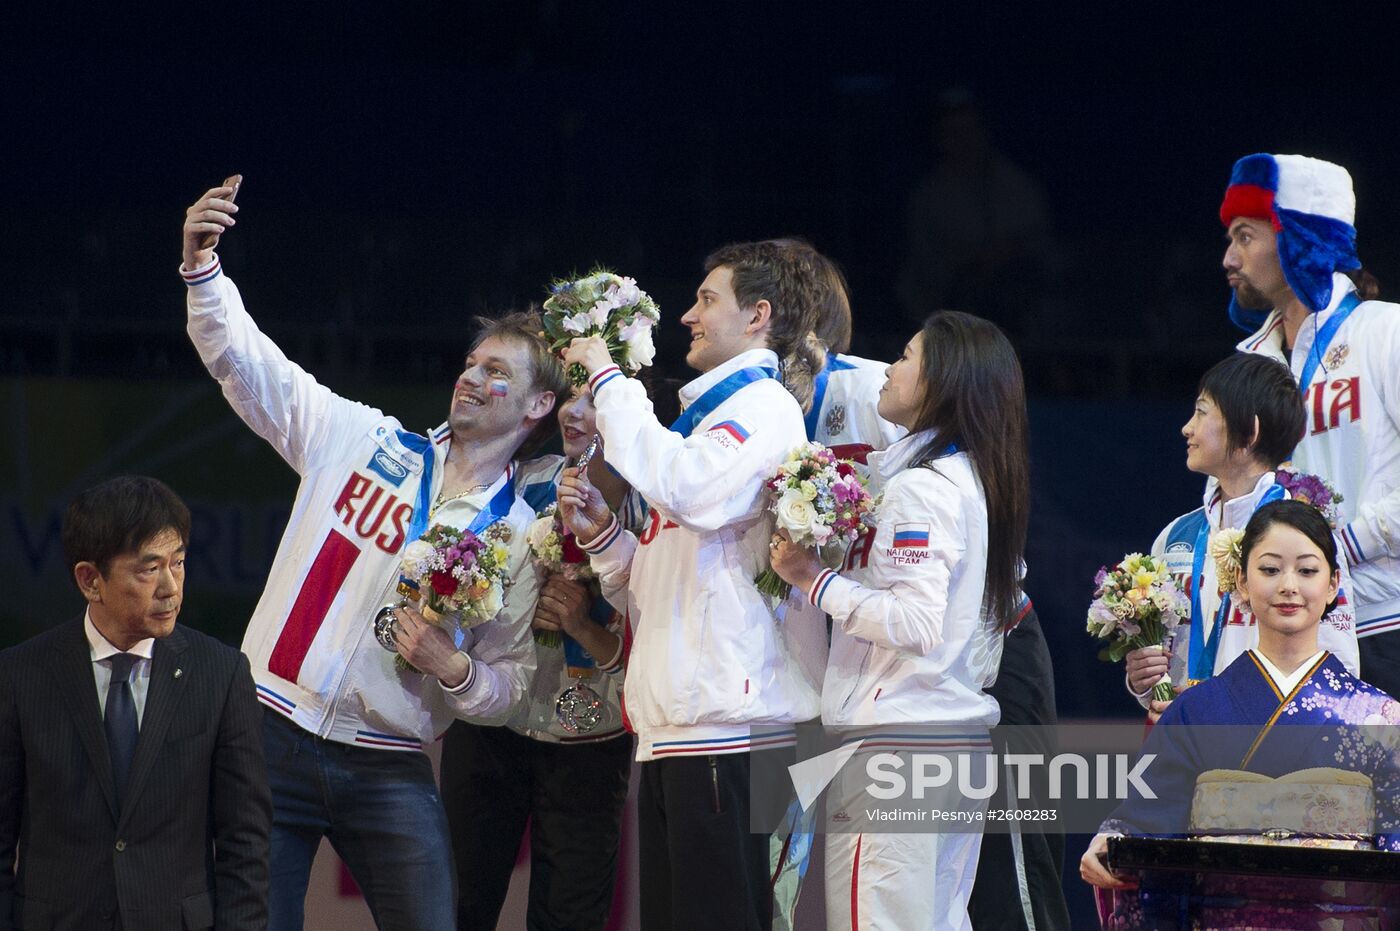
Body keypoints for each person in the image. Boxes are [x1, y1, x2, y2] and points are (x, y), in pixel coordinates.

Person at [181, 180, 563, 929]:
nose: (472, 377)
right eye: (472, 361)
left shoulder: (519, 532)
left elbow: (514, 685)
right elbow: (250, 366)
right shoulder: (362, 439)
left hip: (387, 759)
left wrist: (456, 671)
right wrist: (203, 270)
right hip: (268, 726)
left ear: (537, 407)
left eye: (498, 373)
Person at [557, 239, 830, 930]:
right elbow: (655, 585)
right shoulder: (705, 422)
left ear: (759, 315)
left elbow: (692, 490)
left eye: (708, 299)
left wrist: (608, 379)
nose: (687, 315)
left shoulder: (764, 407)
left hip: (736, 733)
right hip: (682, 728)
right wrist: (602, 534)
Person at [769, 310, 1032, 931]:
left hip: (900, 749)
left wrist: (814, 579)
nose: (889, 367)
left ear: (944, 381)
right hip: (947, 742)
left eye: (908, 356)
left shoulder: (925, 487)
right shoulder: (972, 480)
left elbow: (916, 623)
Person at [1081, 500, 1400, 926]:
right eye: (1270, 570)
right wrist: (1114, 843)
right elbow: (1148, 814)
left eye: (1307, 571)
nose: (1289, 586)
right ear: (1242, 583)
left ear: (1332, 586)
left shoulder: (1380, 717)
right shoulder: (1195, 712)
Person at [0, 475, 270, 931]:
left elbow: (246, 844)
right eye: (149, 570)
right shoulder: (20, 675)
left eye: (178, 563)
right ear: (90, 580)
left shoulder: (220, 674)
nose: (170, 587)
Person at [442, 382, 644, 931]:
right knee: (457, 906)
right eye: (570, 397)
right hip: (493, 725)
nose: (573, 413)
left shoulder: (657, 512)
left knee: (570, 917)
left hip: (591, 742)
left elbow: (657, 655)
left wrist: (582, 623)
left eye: (594, 401)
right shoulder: (523, 482)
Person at [1221, 153, 1400, 697]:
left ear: (1298, 238)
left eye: (1245, 237)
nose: (1229, 258)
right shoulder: (1249, 364)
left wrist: (1338, 546)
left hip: (1384, 619)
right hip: (1287, 634)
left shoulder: (1385, 332)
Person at [1124, 353, 1360, 716]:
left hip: (1271, 751)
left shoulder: (1307, 536)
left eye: (1202, 413)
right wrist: (1144, 680)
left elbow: (1339, 666)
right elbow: (1165, 671)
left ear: (1248, 432)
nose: (1187, 428)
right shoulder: (1175, 538)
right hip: (1183, 749)